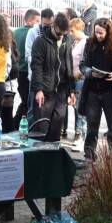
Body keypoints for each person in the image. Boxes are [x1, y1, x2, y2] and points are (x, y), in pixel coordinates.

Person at [78, 19, 112, 161]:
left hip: (111, 91)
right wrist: (89, 72)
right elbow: (83, 64)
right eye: (96, 32)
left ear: (108, 32)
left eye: (101, 33)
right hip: (93, 90)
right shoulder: (90, 43)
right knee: (92, 125)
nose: (98, 35)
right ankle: (89, 154)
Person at [30, 12, 76, 141]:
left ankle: (54, 154)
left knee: (57, 128)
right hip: (45, 90)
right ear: (53, 25)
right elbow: (36, 66)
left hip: (61, 91)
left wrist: (71, 90)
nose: (60, 36)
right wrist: (38, 89)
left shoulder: (67, 39)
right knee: (41, 129)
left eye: (64, 33)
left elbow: (69, 64)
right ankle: (40, 156)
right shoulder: (40, 41)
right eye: (58, 32)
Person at [13, 9, 40, 123]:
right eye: (37, 20)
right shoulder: (33, 33)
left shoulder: (16, 32)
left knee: (25, 98)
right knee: (27, 100)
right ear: (29, 21)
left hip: (18, 69)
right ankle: (16, 123)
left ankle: (16, 122)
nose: (40, 24)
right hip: (27, 70)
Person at [69, 17, 88, 140]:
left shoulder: (85, 42)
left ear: (79, 29)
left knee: (81, 108)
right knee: (76, 107)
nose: (70, 33)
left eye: (72, 31)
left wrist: (79, 74)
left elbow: (86, 63)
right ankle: (78, 132)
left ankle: (81, 134)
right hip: (74, 79)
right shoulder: (75, 42)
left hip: (81, 79)